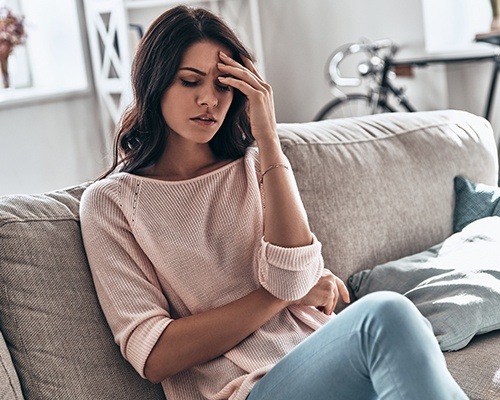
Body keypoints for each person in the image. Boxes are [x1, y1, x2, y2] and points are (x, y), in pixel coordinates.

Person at [80, 5, 468, 400]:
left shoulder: (255, 166)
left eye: (223, 84)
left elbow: (295, 275)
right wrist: (278, 297)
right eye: (190, 82)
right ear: (154, 83)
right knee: (386, 314)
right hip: (250, 389)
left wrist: (267, 137)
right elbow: (155, 354)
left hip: (322, 358)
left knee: (402, 332)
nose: (209, 100)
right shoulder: (111, 204)